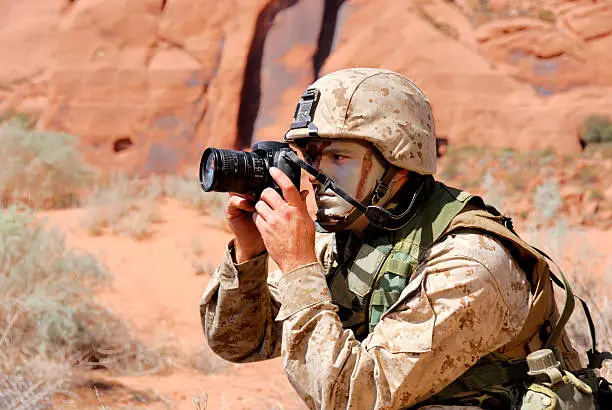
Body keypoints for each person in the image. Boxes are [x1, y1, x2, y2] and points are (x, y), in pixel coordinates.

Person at [199, 68, 585, 409]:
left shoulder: (470, 262)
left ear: (398, 166)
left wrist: (300, 268)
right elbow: (238, 342)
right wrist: (250, 254)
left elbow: (355, 398)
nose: (315, 175)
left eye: (339, 158)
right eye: (310, 157)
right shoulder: (352, 237)